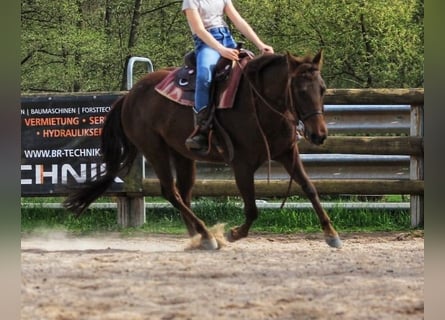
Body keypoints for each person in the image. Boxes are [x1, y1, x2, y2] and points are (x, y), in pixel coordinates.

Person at [182, 0, 274, 151]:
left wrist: (259, 44)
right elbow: (199, 30)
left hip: (227, 38)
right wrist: (221, 50)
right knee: (204, 77)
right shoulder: (190, 1)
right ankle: (202, 129)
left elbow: (238, 20)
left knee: (255, 71)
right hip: (206, 43)